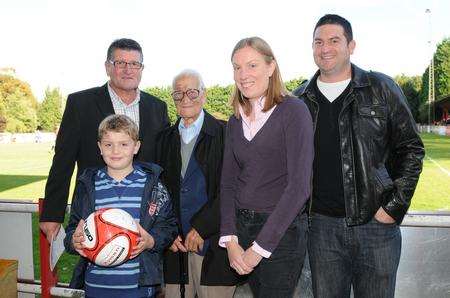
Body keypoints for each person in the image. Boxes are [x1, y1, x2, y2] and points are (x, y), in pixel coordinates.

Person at [293, 14, 425, 298]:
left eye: (333, 40)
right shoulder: (300, 99)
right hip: (321, 230)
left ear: (351, 45)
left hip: (375, 226)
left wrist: (392, 208)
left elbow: (411, 149)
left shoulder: (381, 88)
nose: (325, 48)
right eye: (318, 42)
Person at [40, 38, 170, 243]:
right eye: (120, 63)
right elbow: (63, 160)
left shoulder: (157, 107)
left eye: (134, 64)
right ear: (107, 67)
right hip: (95, 212)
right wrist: (52, 213)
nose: (128, 69)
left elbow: (164, 163)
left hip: (145, 215)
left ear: (142, 68)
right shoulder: (80, 104)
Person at [219, 37, 314, 298]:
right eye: (237, 67)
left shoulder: (294, 111)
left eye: (251, 65)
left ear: (271, 67)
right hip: (242, 229)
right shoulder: (235, 120)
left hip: (281, 234)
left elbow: (299, 188)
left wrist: (258, 249)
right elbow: (227, 183)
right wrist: (231, 240)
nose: (243, 74)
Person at [64, 114, 177, 298]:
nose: (115, 150)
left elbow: (169, 226)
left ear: (136, 147)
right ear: (100, 147)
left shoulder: (153, 185)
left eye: (124, 144)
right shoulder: (88, 185)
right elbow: (72, 229)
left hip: (139, 288)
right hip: (95, 287)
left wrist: (151, 240)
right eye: (108, 144)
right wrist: (73, 241)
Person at [156, 69, 239, 298]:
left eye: (192, 92)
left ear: (204, 95)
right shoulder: (163, 139)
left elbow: (233, 188)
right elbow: (157, 192)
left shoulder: (227, 132)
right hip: (175, 249)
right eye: (178, 94)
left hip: (215, 246)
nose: (185, 99)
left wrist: (203, 227)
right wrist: (168, 231)